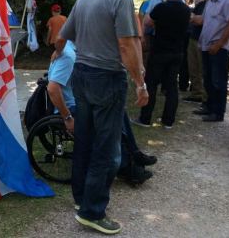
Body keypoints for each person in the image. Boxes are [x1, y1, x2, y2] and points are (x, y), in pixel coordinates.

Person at [54, 0, 148, 235]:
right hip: (106, 78)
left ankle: (82, 199)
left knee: (85, 140)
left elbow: (62, 37)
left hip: (81, 76)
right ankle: (93, 211)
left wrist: (58, 54)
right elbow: (126, 45)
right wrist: (140, 83)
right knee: (105, 148)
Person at [47, 40, 156, 185]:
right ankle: (126, 163)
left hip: (80, 98)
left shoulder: (73, 50)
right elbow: (52, 89)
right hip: (72, 106)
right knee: (111, 115)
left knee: (116, 108)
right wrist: (67, 117)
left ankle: (133, 154)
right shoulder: (69, 55)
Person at [131, 0, 191, 129]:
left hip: (160, 50)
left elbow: (147, 21)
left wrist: (158, 23)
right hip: (177, 51)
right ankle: (168, 121)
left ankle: (145, 119)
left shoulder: (161, 7)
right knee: (171, 85)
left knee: (151, 83)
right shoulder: (186, 9)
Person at [193, 0, 229, 122]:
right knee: (208, 79)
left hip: (219, 48)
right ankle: (208, 107)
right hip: (206, 46)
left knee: (218, 81)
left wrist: (218, 44)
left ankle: (218, 112)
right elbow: (202, 21)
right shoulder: (210, 1)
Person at [182, 0, 212, 103]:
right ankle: (196, 94)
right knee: (193, 67)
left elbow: (200, 21)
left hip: (204, 40)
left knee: (202, 68)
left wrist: (195, 18)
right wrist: (195, 18)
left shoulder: (212, 4)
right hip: (193, 38)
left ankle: (206, 97)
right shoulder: (201, 4)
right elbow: (191, 17)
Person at [139, 0, 163, 67]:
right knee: (147, 52)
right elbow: (141, 15)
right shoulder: (148, 2)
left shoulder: (151, 2)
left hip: (155, 33)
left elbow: (141, 15)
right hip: (149, 32)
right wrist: (143, 33)